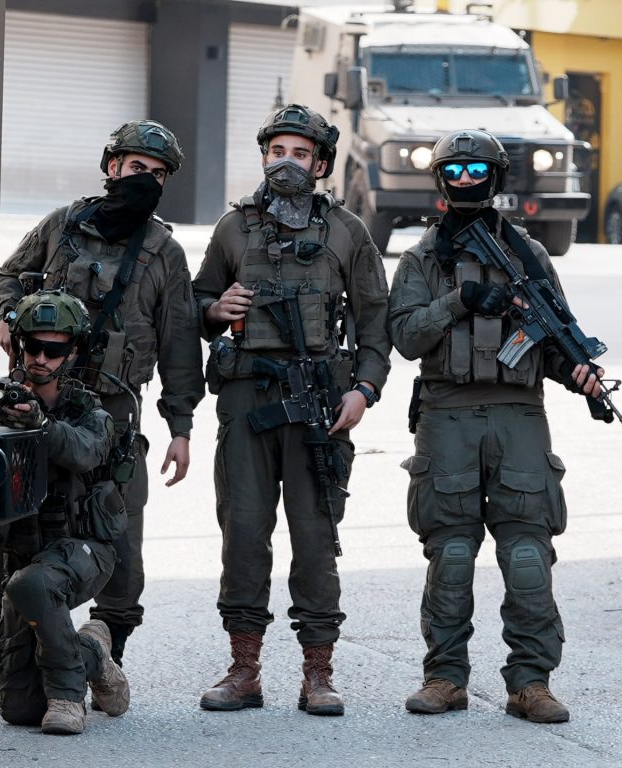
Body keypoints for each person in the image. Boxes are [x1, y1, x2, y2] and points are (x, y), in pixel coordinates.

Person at [0, 120, 204, 702]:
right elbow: (5, 276)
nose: (145, 180)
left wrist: (180, 427)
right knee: (14, 529)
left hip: (111, 413)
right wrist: (7, 316)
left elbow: (180, 343)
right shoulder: (63, 226)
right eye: (136, 168)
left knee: (115, 530)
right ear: (112, 167)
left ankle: (105, 657)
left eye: (158, 175)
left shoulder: (165, 252)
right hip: (36, 402)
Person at [388, 128, 605, 724]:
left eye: (477, 170)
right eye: (455, 171)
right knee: (452, 553)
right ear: (440, 179)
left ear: (497, 176)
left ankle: (531, 682)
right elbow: (405, 336)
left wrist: (579, 375)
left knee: (529, 554)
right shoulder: (422, 258)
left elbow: (555, 337)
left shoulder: (529, 256)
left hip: (519, 416)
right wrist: (461, 299)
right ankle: (444, 678)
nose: (466, 180)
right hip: (447, 415)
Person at [192, 104, 392, 716]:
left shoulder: (348, 232)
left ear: (321, 165)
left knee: (315, 537)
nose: (287, 163)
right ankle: (244, 671)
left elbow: (376, 323)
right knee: (243, 534)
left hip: (319, 404)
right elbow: (197, 302)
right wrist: (214, 310)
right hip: (248, 398)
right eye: (277, 151)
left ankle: (318, 674)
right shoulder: (233, 228)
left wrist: (364, 389)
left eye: (300, 154)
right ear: (263, 157)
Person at [0, 289, 129, 735]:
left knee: (33, 583)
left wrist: (40, 424)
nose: (41, 358)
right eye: (32, 347)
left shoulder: (90, 412)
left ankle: (67, 698)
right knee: (18, 709)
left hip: (83, 549)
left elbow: (84, 451)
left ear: (73, 353)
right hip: (22, 557)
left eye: (54, 350)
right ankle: (92, 654)